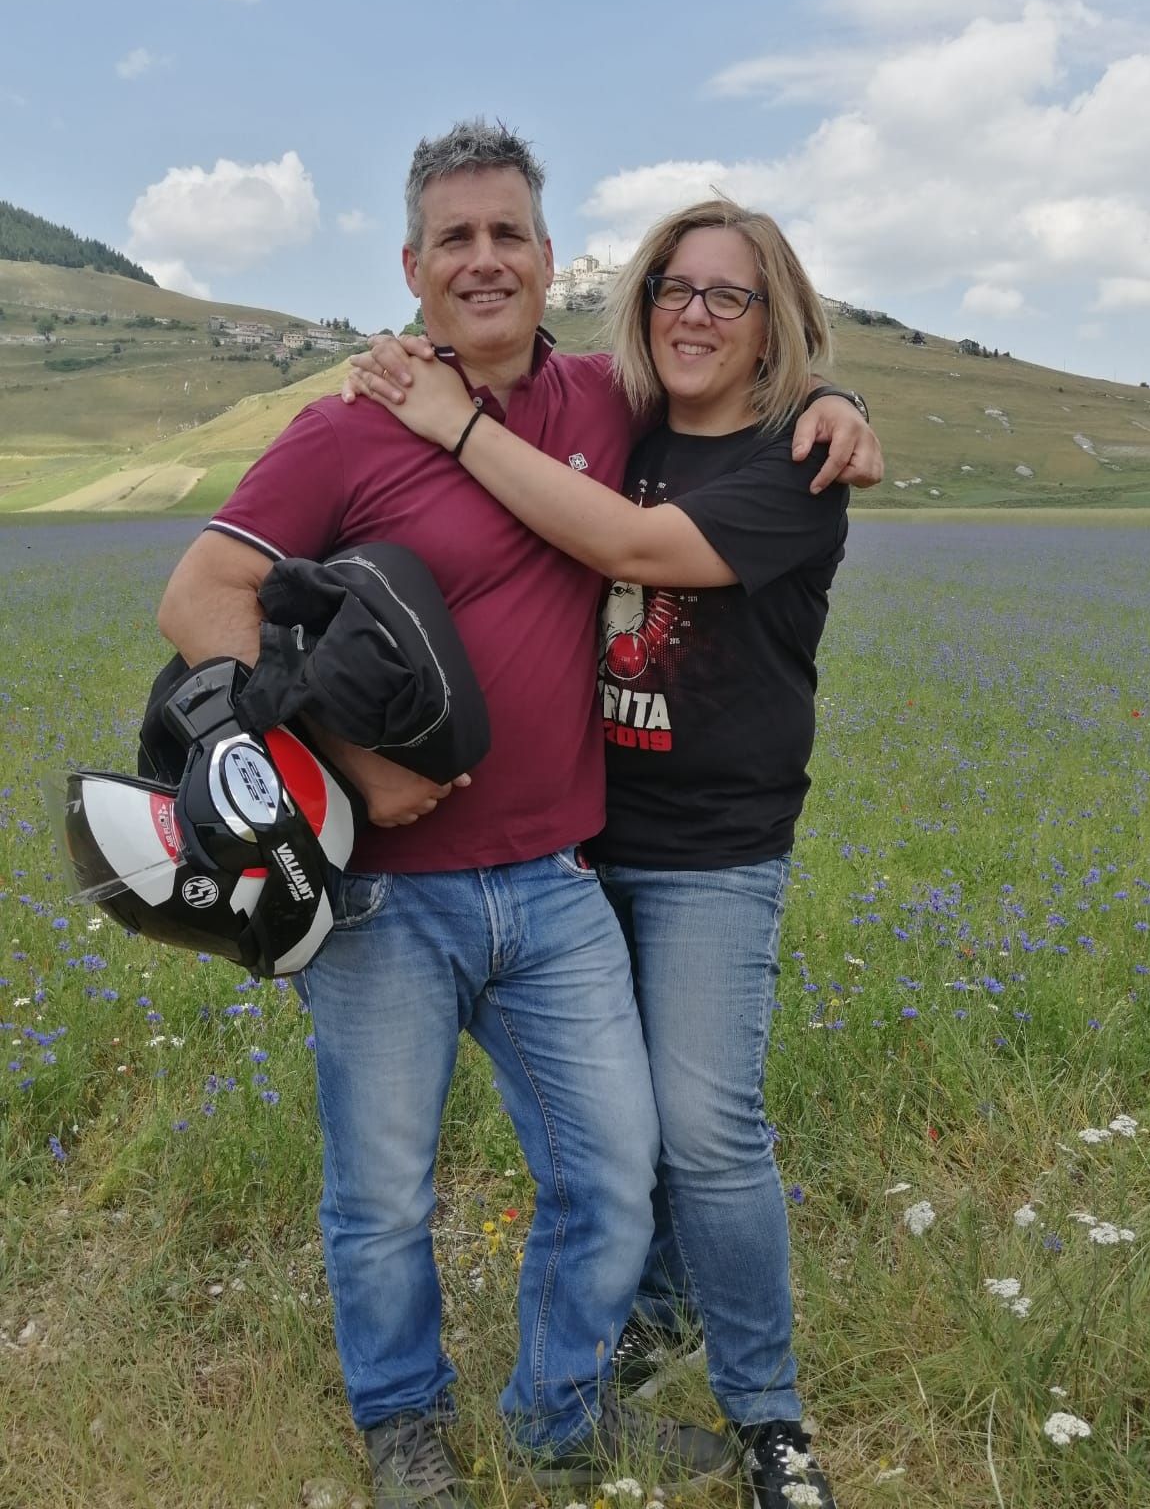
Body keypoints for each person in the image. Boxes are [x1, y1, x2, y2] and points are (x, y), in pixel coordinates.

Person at [157, 121, 881, 1509]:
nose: (483, 260)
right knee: (383, 1192)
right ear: (412, 268)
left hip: (555, 882)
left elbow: (730, 379)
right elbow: (200, 601)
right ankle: (402, 1425)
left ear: (551, 259)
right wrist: (342, 771)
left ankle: (558, 1418)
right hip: (383, 894)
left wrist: (839, 398)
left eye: (508, 235)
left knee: (614, 1171)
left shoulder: (606, 403)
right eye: (455, 238)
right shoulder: (344, 429)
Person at [346, 196, 857, 1509]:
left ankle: (767, 1417)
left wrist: (453, 425)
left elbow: (628, 547)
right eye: (674, 288)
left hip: (709, 855)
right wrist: (410, 375)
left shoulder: (795, 466)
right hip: (572, 846)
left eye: (728, 296)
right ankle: (639, 1323)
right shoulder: (618, 421)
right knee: (613, 1137)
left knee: (708, 1132)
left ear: (773, 323)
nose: (695, 313)